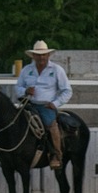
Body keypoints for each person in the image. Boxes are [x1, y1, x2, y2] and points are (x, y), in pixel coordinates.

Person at [14, 40, 73, 169]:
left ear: (48, 56)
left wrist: (55, 103)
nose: (41, 57)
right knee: (15, 122)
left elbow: (67, 90)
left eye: (43, 55)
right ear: (33, 56)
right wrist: (25, 91)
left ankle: (56, 155)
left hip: (46, 106)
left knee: (50, 124)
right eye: (38, 55)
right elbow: (17, 87)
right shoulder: (26, 70)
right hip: (29, 103)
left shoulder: (57, 70)